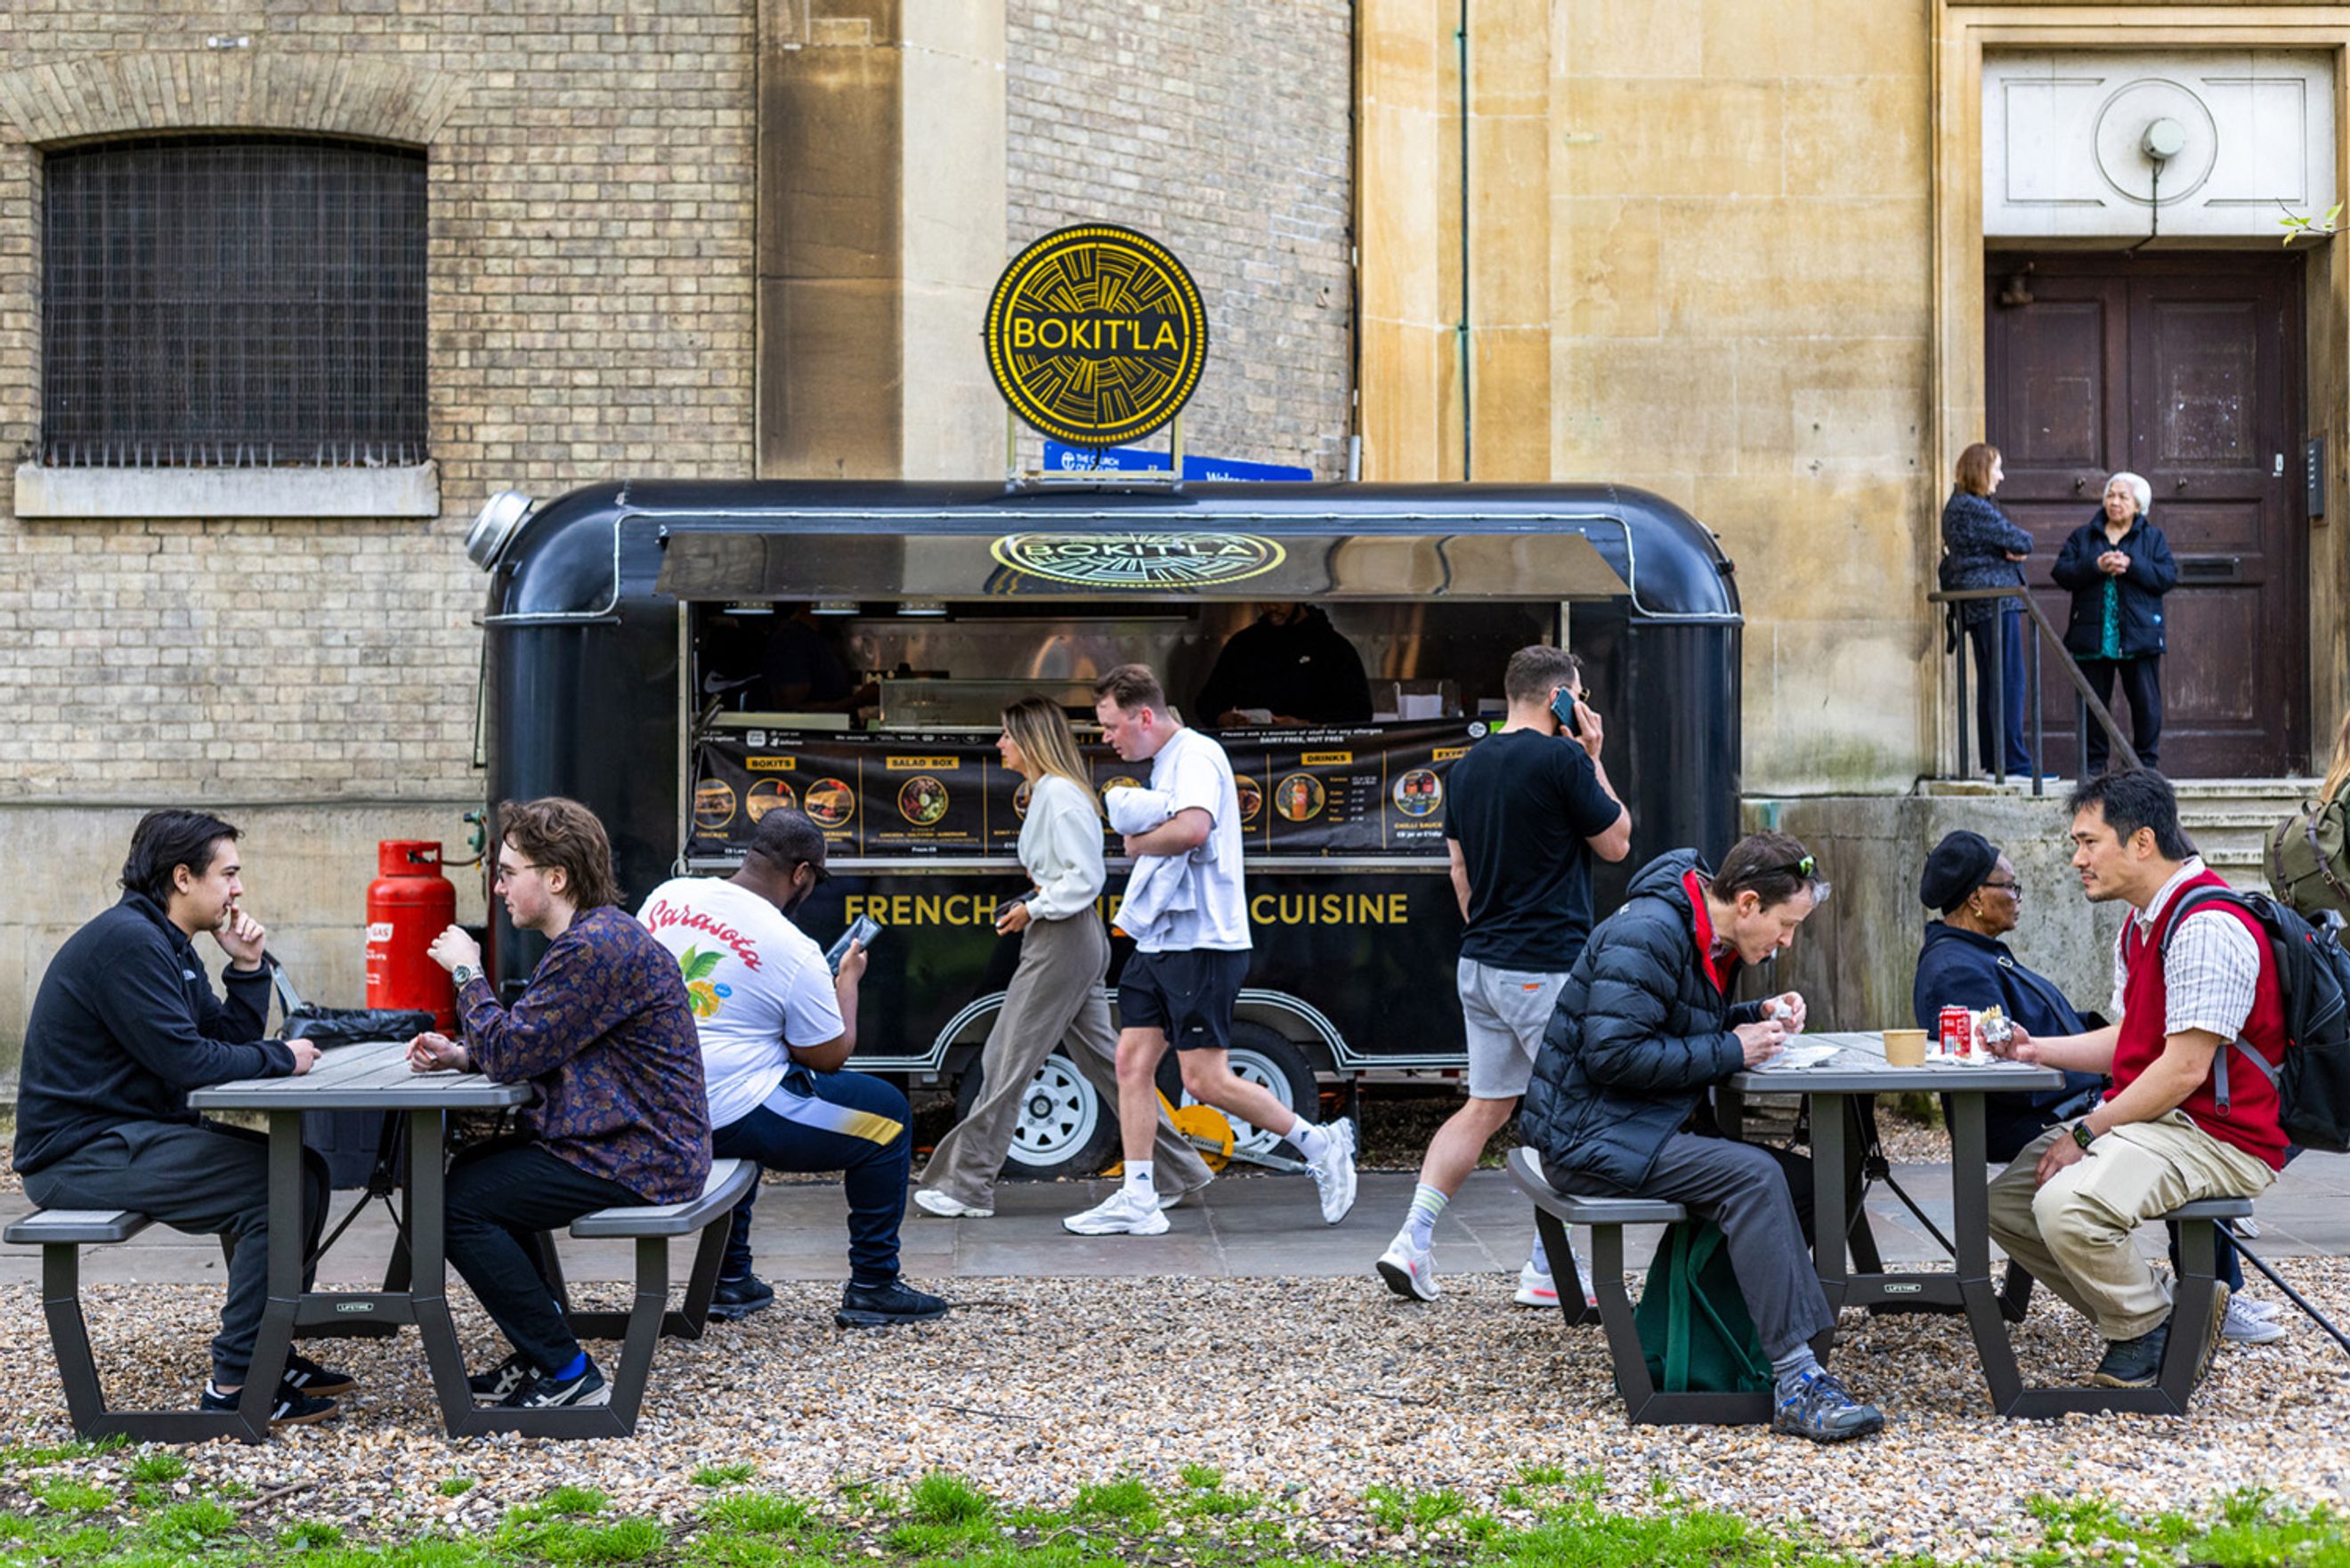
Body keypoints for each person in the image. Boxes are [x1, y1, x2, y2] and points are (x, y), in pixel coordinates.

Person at [1520, 833, 1886, 1443]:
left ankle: (1728, 1342)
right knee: (1754, 1177)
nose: (1787, 941)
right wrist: (1731, 1047)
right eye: (1786, 925)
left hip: (1632, 1127)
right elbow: (1613, 1054)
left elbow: (1672, 1021)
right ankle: (1797, 1380)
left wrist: (1754, 1016)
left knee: (1816, 1181)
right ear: (1746, 903)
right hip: (1589, 1137)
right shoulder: (1650, 933)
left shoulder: (1699, 932)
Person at [12, 811, 339, 1425]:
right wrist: (282, 1057)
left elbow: (219, 1040)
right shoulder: (128, 945)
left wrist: (245, 968)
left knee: (305, 1170)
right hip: (77, 1156)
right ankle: (237, 1384)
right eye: (229, 874)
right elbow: (190, 1062)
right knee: (278, 1186)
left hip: (129, 1136)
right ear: (183, 877)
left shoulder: (166, 944)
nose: (238, 889)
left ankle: (272, 1350)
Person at [1983, 770, 2289, 1386]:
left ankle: (2146, 1333)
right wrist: (2035, 1050)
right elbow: (2133, 1039)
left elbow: (2183, 1068)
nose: (2077, 859)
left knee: (2068, 1206)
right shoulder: (2143, 921)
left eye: (2089, 842)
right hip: (2165, 1119)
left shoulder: (2207, 925)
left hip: (2221, 1136)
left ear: (2142, 842)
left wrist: (2089, 1131)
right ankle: (2164, 1317)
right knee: (2007, 1204)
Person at [408, 797, 713, 1409]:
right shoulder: (596, 938)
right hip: (636, 1141)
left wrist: (468, 973)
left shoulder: (592, 948)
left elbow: (516, 1054)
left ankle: (569, 1372)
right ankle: (540, 1353)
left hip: (643, 1155)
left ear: (555, 877)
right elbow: (538, 1041)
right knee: (469, 1178)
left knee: (454, 1205)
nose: (497, 888)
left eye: (507, 872)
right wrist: (465, 1054)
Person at [1062, 663, 1358, 1235]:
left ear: (1144, 716)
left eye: (1111, 725)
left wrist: (1136, 843)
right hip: (1163, 937)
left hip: (1201, 939)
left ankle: (1321, 1144)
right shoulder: (1170, 759)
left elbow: (1195, 828)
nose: (1106, 738)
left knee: (1203, 1080)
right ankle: (1140, 1196)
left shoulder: (1195, 756)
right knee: (1131, 1062)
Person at [1375, 646, 1631, 1305]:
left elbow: (1458, 870)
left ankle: (1412, 1240)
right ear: (1559, 699)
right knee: (1569, 1108)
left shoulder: (1466, 767)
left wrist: (1485, 933)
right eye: (1580, 695)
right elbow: (1617, 842)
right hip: (1542, 965)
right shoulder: (1565, 759)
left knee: (1487, 1105)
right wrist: (1595, 755)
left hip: (1480, 962)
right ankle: (1547, 1268)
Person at [638, 808, 950, 1327]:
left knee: (757, 1076)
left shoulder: (667, 897)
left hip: (658, 1105)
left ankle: (730, 1278)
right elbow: (827, 1056)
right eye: (818, 877)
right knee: (888, 1117)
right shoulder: (791, 947)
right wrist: (846, 979)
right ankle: (874, 1283)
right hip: (725, 1112)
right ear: (801, 874)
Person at [916, 698, 1216, 1219]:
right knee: (1106, 1062)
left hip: (1063, 941)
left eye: (1007, 735)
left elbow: (1085, 879)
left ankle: (967, 1185)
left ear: (1030, 739)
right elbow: (1065, 878)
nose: (999, 744)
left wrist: (1035, 907)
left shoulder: (1059, 795)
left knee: (1007, 1059)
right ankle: (1179, 1170)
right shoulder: (1049, 794)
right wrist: (1032, 904)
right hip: (1065, 937)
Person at [1912, 829, 2106, 1160]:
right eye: (2010, 887)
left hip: (2071, 1105)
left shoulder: (1974, 954)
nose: (2017, 897)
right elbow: (2003, 1070)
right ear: (1976, 899)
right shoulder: (1956, 970)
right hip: (2046, 1123)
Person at [2053, 471, 2176, 773]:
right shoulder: (2084, 536)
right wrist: (2096, 565)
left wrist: (2132, 566)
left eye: (2123, 497)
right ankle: (2094, 768)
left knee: (2146, 705)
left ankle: (2144, 767)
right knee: (2093, 705)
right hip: (2094, 636)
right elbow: (2062, 572)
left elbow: (2167, 576)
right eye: (2111, 495)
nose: (2115, 502)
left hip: (2138, 636)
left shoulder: (2152, 538)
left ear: (2138, 505)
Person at [1939, 441, 2038, 778]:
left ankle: (1998, 761)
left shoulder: (1960, 506)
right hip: (1995, 602)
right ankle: (2013, 763)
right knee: (2008, 682)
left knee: (1994, 683)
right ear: (1981, 471)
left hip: (1982, 604)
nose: (2001, 476)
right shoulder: (1973, 508)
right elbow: (2023, 541)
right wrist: (2007, 550)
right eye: (1996, 468)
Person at [1194, 603, 1373, 727]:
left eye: (1279, 599)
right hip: (1254, 758)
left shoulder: (1333, 647)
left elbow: (1359, 713)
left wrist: (1305, 725)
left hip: (1318, 760)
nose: (1271, 606)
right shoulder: (1244, 644)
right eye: (1264, 600)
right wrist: (1223, 718)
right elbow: (1207, 703)